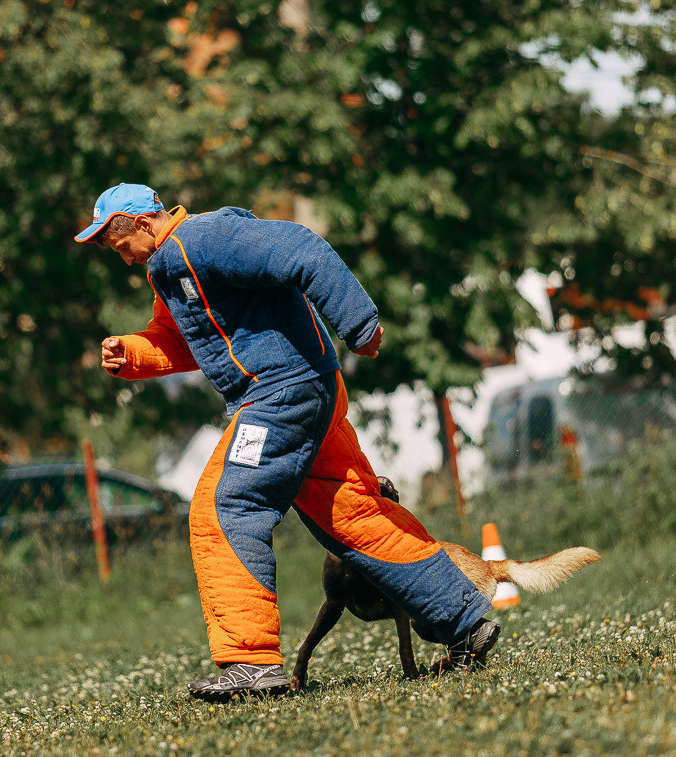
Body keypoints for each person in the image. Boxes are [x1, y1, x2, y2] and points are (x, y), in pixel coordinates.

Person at [76, 183, 497, 701]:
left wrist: (359, 323)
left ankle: (251, 664)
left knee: (226, 508)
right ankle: (465, 621)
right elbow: (189, 339)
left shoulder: (207, 238)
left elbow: (300, 247)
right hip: (304, 391)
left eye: (122, 246)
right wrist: (133, 353)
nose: (124, 259)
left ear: (143, 223)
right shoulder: (168, 266)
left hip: (280, 393)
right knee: (356, 517)